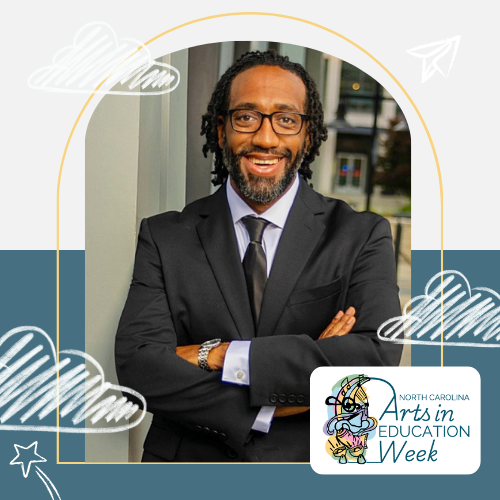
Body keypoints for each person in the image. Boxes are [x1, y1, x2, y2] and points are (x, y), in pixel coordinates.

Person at [115, 50, 402, 463]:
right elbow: (140, 368)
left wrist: (218, 355)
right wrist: (276, 401)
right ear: (220, 130)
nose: (266, 138)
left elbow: (373, 358)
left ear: (308, 134)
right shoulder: (164, 236)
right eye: (246, 117)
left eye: (286, 120)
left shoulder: (361, 236)